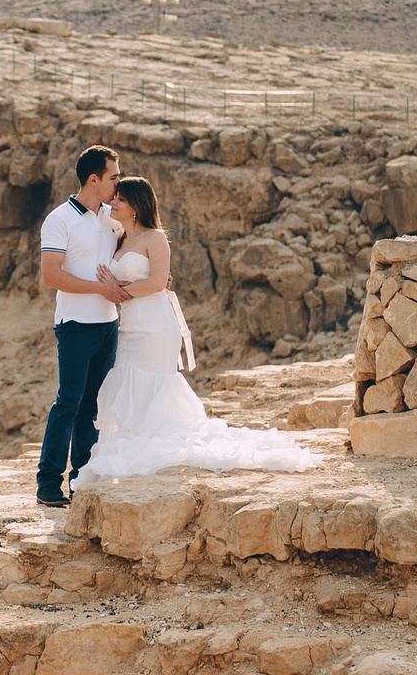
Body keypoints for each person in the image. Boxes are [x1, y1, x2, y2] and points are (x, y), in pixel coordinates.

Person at [80, 175, 314, 480]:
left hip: (156, 325)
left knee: (152, 381)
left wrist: (117, 288)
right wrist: (117, 288)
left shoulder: (155, 238)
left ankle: (153, 446)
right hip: (129, 326)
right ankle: (130, 443)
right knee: (127, 379)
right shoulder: (119, 238)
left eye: (120, 199)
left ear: (136, 206)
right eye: (115, 198)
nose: (113, 202)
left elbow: (154, 283)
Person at [34, 145, 129, 506]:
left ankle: (81, 479)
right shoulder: (59, 220)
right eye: (113, 177)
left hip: (108, 325)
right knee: (69, 403)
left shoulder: (112, 216)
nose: (118, 184)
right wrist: (100, 288)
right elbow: (52, 275)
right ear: (94, 179)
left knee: (92, 407)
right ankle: (47, 483)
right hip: (75, 325)